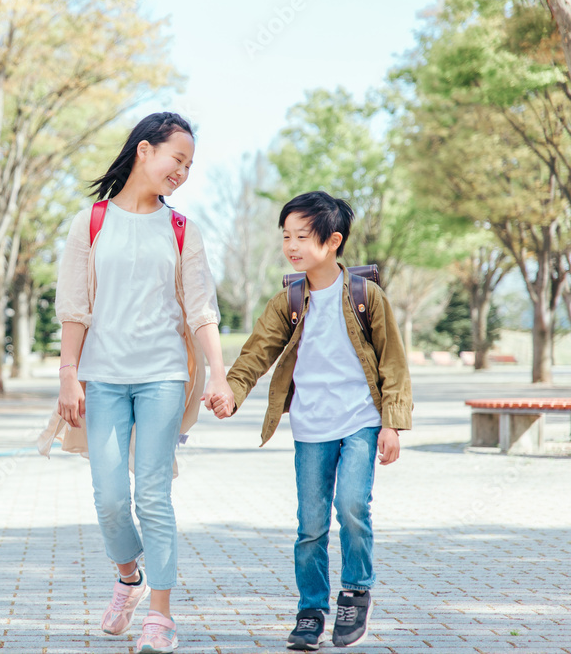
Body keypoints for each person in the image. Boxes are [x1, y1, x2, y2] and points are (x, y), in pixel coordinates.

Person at [39, 112, 233, 654]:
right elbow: (74, 306)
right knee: (108, 497)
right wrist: (68, 375)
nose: (183, 172)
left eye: (190, 165)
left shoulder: (182, 229)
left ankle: (160, 616)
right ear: (145, 150)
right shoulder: (91, 221)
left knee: (152, 495)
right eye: (178, 159)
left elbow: (201, 309)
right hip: (101, 377)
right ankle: (129, 577)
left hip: (163, 376)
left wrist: (219, 374)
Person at [206, 191, 412, 650]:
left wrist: (392, 424)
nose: (292, 245)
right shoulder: (289, 300)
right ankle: (311, 610)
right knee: (311, 525)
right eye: (286, 236)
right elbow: (256, 353)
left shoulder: (366, 296)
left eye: (302, 236)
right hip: (311, 427)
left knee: (352, 506)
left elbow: (393, 364)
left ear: (333, 240)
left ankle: (355, 592)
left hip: (360, 420)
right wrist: (230, 392)